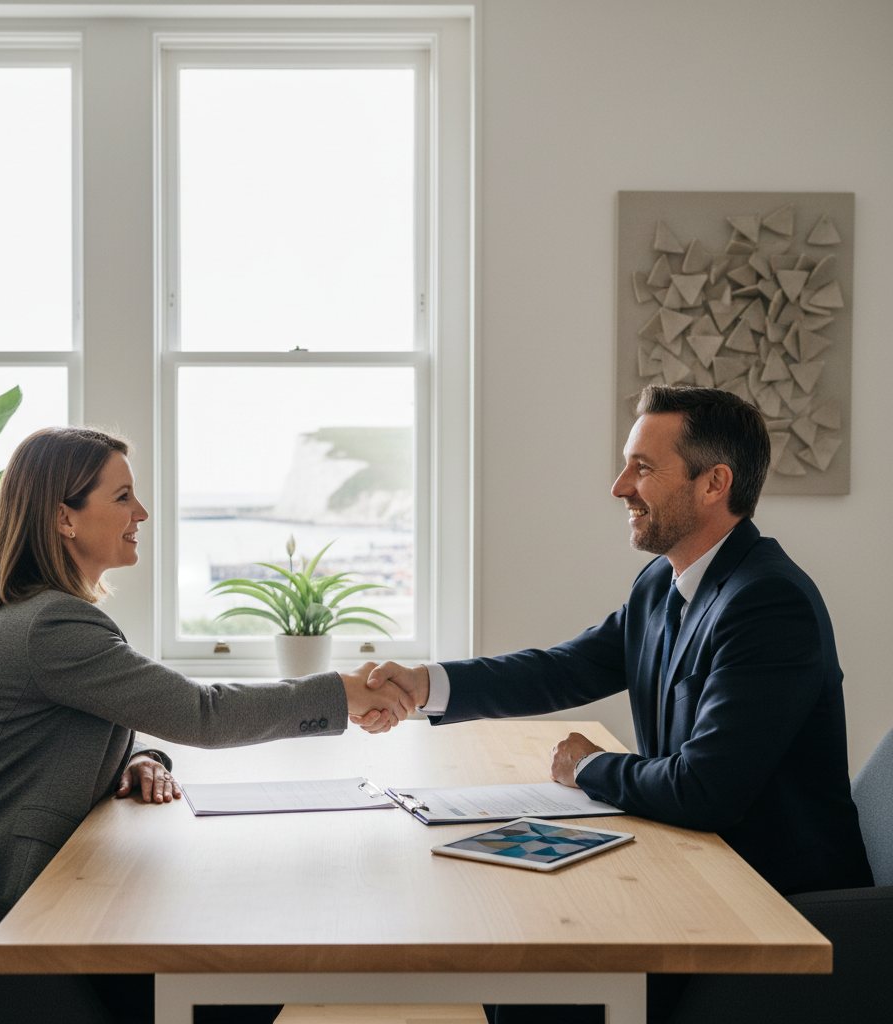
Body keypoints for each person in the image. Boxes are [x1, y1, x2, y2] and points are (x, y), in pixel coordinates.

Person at [356, 385, 873, 1023]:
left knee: (540, 989)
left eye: (644, 468)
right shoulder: (665, 580)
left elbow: (705, 789)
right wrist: (424, 685)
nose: (619, 486)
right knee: (519, 945)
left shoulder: (769, 604)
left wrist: (589, 767)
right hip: (694, 868)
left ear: (714, 483)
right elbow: (566, 667)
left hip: (769, 909)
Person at [0, 426, 412, 1024]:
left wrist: (136, 760)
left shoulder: (42, 616)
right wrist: (343, 693)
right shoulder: (53, 627)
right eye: (122, 496)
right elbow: (202, 713)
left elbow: (73, 729)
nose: (141, 512)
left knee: (244, 957)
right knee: (244, 973)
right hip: (8, 911)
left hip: (36, 888)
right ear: (64, 519)